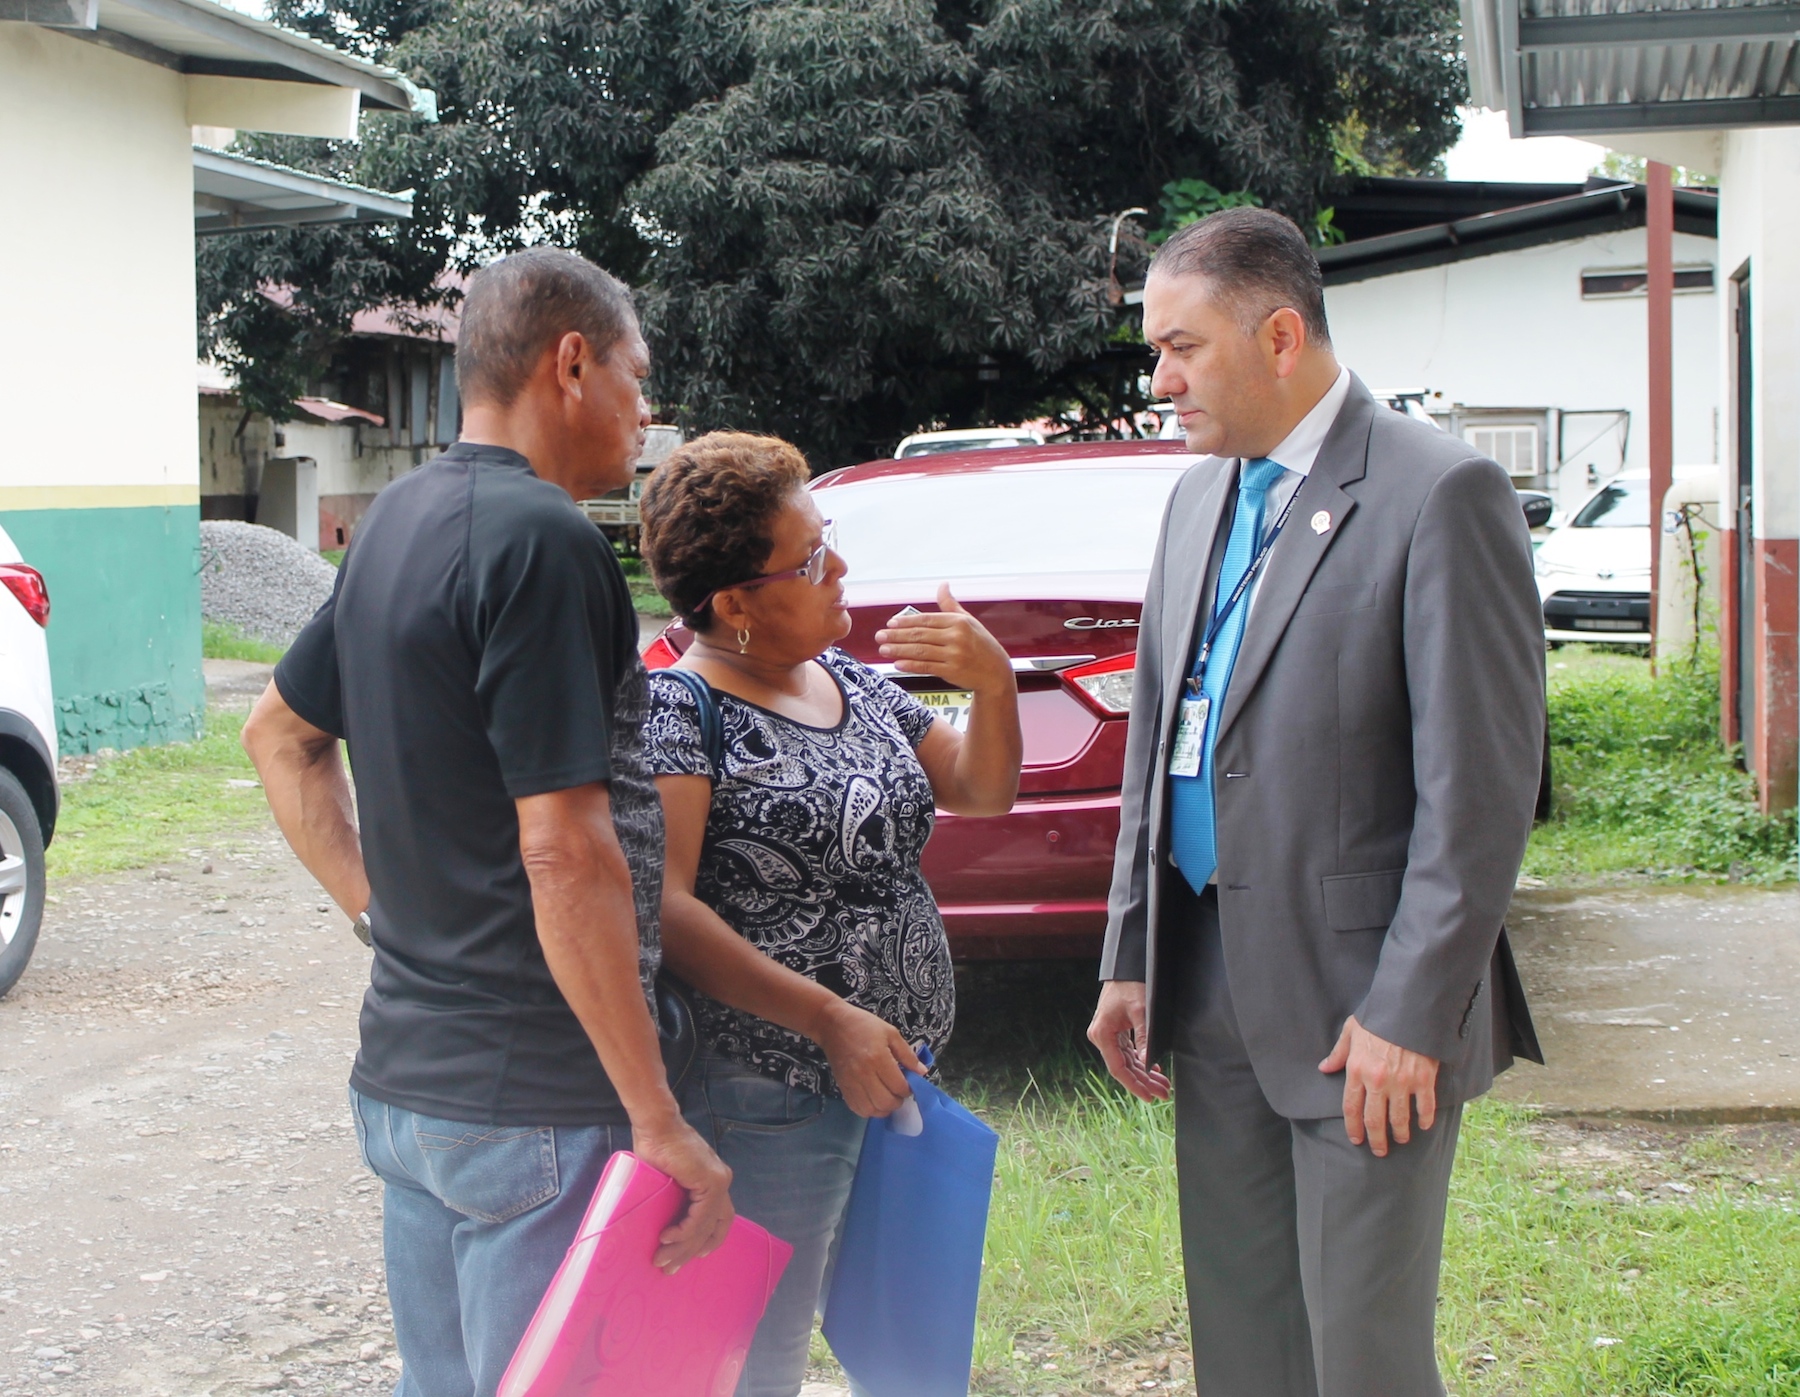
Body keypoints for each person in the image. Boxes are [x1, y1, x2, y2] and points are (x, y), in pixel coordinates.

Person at [240, 248, 733, 1397]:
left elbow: (278, 735)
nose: (645, 412)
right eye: (635, 374)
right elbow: (564, 843)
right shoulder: (548, 541)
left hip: (412, 1087)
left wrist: (385, 917)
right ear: (571, 363)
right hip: (537, 1105)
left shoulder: (395, 523)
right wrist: (657, 1116)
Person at [1087, 208, 1544, 1397]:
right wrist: (1131, 951)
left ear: (1280, 335)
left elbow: (1482, 792)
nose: (1160, 378)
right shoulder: (1198, 500)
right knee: (1243, 1342)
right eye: (1154, 349)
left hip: (1364, 1009)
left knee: (1361, 1357)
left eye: (1181, 347)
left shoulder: (1440, 492)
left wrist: (1412, 1009)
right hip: (1210, 972)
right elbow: (1159, 743)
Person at [636, 432, 1022, 1397]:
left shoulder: (848, 679)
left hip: (898, 1083)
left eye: (829, 537)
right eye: (810, 558)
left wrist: (997, 683)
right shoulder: (680, 709)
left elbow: (981, 787)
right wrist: (828, 1020)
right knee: (755, 1350)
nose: (840, 567)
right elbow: (669, 910)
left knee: (901, 1335)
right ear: (735, 605)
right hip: (770, 1087)